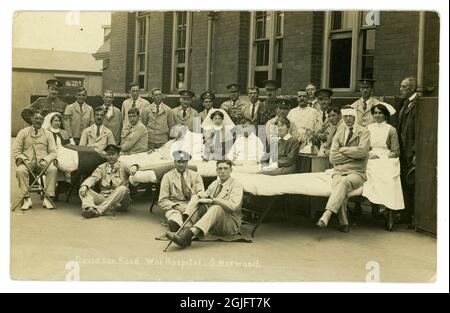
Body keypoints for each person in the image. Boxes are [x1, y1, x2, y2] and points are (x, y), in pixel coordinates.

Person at [316, 105, 370, 233]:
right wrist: (352, 155)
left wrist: (343, 150)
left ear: (355, 116)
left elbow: (362, 153)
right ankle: (343, 222)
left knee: (343, 183)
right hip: (339, 171)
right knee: (341, 187)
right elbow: (333, 158)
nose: (348, 119)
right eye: (345, 116)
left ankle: (327, 214)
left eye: (351, 116)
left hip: (356, 172)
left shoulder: (364, 132)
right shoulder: (339, 133)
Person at [165, 160, 243, 248]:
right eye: (220, 168)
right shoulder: (215, 183)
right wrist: (200, 196)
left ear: (231, 170)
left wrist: (213, 200)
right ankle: (186, 229)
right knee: (196, 197)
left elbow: (233, 206)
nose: (223, 171)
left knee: (216, 207)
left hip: (229, 224)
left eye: (226, 168)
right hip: (213, 221)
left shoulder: (236, 185)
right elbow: (206, 195)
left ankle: (188, 236)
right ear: (216, 170)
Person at [363, 103, 404, 231]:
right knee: (372, 172)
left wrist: (384, 157)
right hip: (371, 157)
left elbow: (396, 151)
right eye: (375, 113)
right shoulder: (368, 128)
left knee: (388, 176)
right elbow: (364, 147)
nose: (377, 115)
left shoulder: (391, 129)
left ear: (385, 115)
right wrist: (370, 154)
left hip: (387, 157)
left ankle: (388, 209)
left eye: (380, 113)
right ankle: (381, 205)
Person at [13, 109, 58, 210]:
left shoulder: (48, 134)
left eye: (41, 119)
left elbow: (53, 152)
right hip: (27, 163)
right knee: (20, 170)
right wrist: (23, 159)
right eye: (36, 118)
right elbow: (16, 151)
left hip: (43, 163)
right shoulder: (23, 132)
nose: (38, 121)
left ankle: (48, 198)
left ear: (43, 120)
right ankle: (26, 199)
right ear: (32, 119)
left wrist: (46, 160)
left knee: (53, 169)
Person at [79, 144, 137, 219]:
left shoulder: (123, 165)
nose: (111, 157)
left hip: (120, 202)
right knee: (84, 189)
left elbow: (131, 167)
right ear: (106, 156)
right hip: (104, 198)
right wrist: (85, 185)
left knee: (123, 188)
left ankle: (98, 210)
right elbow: (93, 178)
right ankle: (90, 209)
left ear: (118, 155)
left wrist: (134, 167)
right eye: (108, 154)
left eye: (113, 154)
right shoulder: (102, 167)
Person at [158, 150, 205, 232]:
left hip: (192, 205)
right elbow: (162, 200)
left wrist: (192, 204)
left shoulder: (196, 176)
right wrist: (176, 206)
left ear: (187, 163)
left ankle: (187, 225)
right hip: (175, 206)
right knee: (174, 219)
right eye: (178, 162)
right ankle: (184, 225)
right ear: (174, 162)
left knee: (197, 209)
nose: (181, 164)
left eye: (183, 162)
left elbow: (201, 193)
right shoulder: (167, 177)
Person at [397, 76, 417, 228]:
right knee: (404, 183)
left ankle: (412, 216)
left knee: (411, 184)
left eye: (403, 87)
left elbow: (419, 130)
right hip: (403, 152)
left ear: (411, 88)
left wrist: (415, 152)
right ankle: (406, 214)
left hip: (411, 152)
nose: (400, 89)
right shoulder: (405, 104)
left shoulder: (417, 104)